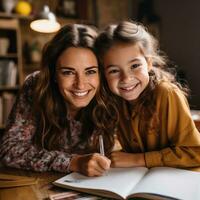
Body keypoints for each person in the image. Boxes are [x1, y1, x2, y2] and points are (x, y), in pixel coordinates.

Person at [0, 24, 117, 176]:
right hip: (38, 182)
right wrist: (73, 162)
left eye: (90, 72)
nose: (80, 84)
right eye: (68, 72)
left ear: (100, 73)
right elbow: (9, 150)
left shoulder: (110, 90)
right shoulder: (35, 86)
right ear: (54, 74)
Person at [95, 21, 200, 169]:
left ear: (149, 63)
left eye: (135, 66)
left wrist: (138, 159)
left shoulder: (167, 94)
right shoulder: (115, 101)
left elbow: (196, 153)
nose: (126, 78)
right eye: (114, 71)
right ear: (104, 74)